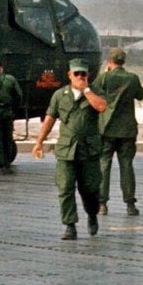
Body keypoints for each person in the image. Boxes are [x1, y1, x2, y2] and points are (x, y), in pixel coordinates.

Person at [33, 59, 109, 240]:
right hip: (67, 149)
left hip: (88, 151)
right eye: (77, 74)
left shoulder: (95, 92)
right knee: (65, 188)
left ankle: (92, 214)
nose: (80, 77)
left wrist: (86, 90)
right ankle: (70, 225)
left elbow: (101, 106)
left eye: (83, 74)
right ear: (69, 75)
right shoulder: (60, 95)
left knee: (90, 189)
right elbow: (50, 118)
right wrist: (39, 142)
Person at [93, 48, 143, 216]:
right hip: (127, 130)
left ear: (110, 61)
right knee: (127, 166)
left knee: (104, 165)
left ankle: (102, 204)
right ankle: (130, 204)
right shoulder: (132, 78)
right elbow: (140, 95)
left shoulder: (104, 78)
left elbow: (92, 95)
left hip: (106, 128)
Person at [0, 58, 21, 173]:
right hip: (7, 113)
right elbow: (18, 96)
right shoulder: (10, 79)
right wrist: (14, 109)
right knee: (7, 138)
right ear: (1, 68)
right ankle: (6, 164)